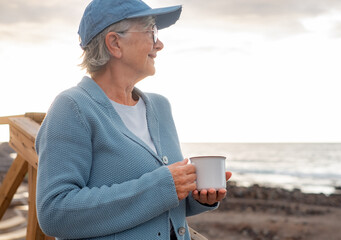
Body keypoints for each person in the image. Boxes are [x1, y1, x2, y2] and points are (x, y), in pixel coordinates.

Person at [35, 0, 231, 239]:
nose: (159, 44)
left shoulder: (160, 107)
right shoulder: (72, 107)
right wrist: (162, 186)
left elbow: (164, 203)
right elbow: (54, 213)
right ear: (115, 43)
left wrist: (198, 196)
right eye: (151, 32)